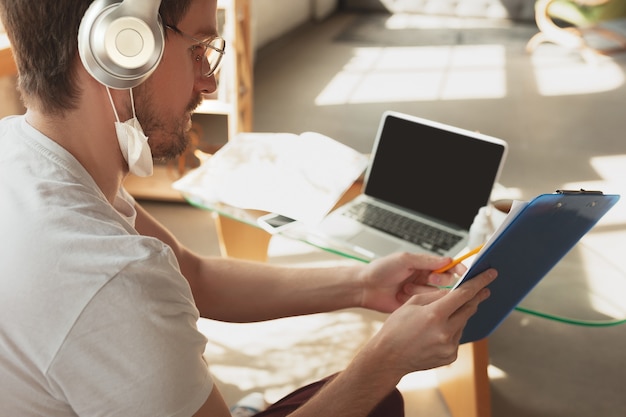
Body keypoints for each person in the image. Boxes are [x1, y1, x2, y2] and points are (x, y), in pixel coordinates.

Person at [0, 1, 498, 416]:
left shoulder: (27, 154)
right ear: (119, 48)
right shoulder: (110, 281)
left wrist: (364, 284)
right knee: (381, 400)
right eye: (197, 49)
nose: (208, 83)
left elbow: (194, 274)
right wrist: (387, 359)